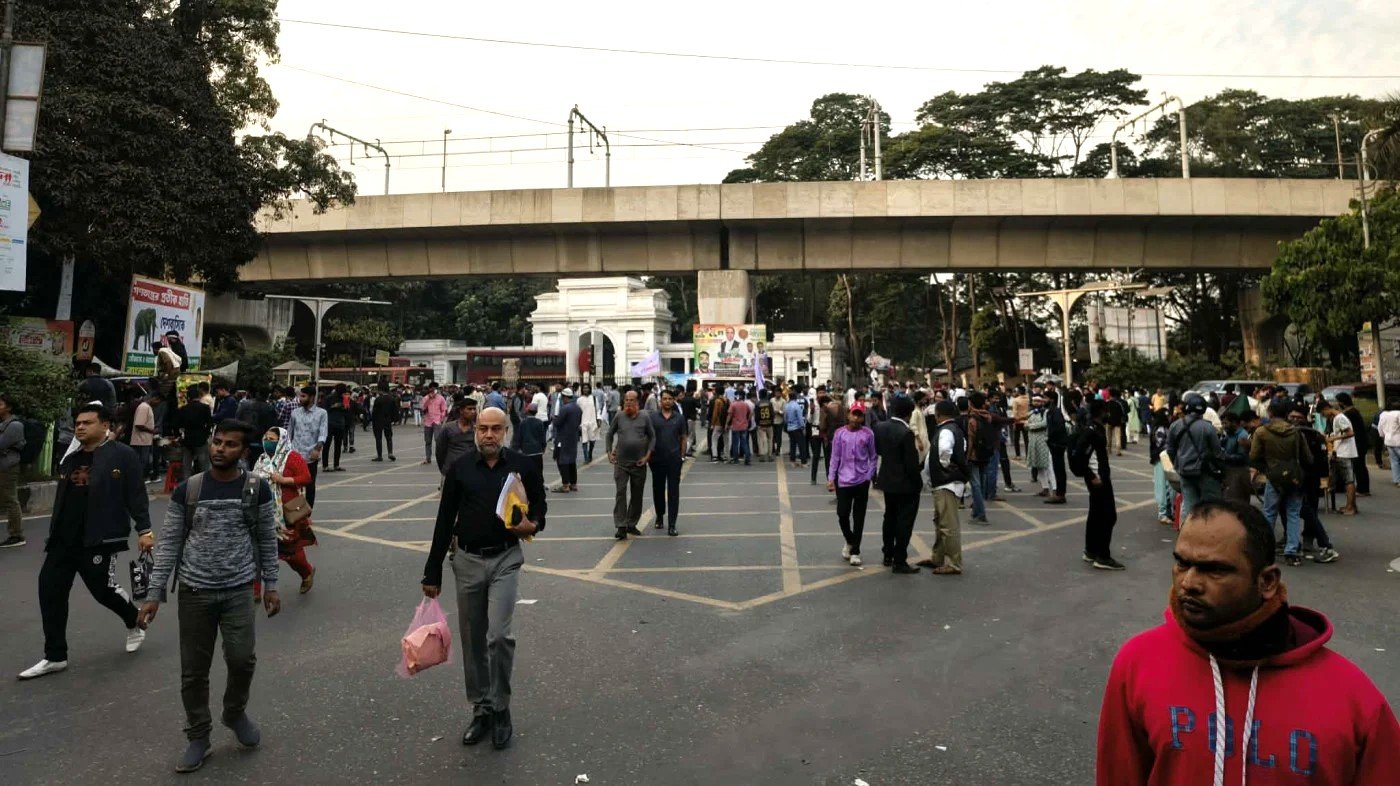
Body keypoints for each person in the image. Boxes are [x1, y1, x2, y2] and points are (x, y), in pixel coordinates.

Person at [1095, 499, 1400, 785]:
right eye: (1182, 563)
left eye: (1214, 569)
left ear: (1266, 582)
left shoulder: (1352, 699)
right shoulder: (1138, 663)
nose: (1188, 583)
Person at [139, 420, 280, 773]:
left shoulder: (256, 490)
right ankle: (198, 736)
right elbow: (170, 542)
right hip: (194, 591)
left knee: (242, 659)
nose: (220, 449)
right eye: (217, 442)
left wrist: (272, 585)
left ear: (244, 452)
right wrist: (153, 594)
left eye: (230, 445)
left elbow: (266, 539)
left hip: (238, 590)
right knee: (193, 671)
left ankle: (234, 711)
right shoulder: (189, 490)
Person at [422, 407, 546, 752]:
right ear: (475, 431)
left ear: (506, 431)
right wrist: (432, 571)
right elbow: (444, 520)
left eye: (495, 429)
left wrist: (532, 525)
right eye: (482, 429)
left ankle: (502, 708)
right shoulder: (460, 468)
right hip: (468, 561)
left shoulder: (523, 465)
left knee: (499, 636)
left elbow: (540, 507)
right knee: (473, 638)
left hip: (505, 557)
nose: (488, 435)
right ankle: (482, 709)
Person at [18, 403, 154, 680]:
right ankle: (55, 656)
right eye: (78, 423)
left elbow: (136, 494)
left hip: (100, 537)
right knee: (50, 591)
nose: (80, 427)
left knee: (102, 589)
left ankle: (133, 620)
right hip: (63, 538)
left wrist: (145, 529)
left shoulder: (122, 455)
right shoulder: (71, 458)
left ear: (105, 425)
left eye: (87, 422)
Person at [252, 427, 316, 597]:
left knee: (292, 553)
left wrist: (283, 480)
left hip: (287, 512)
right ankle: (255, 590)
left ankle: (306, 572)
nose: (267, 441)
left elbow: (306, 478)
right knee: (256, 551)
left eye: (271, 439)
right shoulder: (262, 459)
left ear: (281, 441)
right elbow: (253, 479)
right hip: (264, 512)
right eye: (265, 437)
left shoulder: (292, 457)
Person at [1250, 399, 1308, 567]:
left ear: (1270, 412)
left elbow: (1253, 456)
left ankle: (1265, 548)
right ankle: (1292, 551)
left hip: (1273, 476)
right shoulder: (1296, 432)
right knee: (1293, 513)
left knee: (1269, 512)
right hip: (1294, 476)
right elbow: (1306, 456)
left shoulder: (1261, 432)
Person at [919, 399, 969, 575]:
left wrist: (943, 467)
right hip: (945, 483)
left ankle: (954, 563)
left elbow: (944, 452)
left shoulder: (946, 430)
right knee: (940, 523)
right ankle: (937, 557)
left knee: (948, 526)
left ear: (938, 414)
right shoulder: (952, 429)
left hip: (947, 483)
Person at [874, 397, 922, 574]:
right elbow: (911, 463)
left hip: (887, 480)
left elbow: (878, 451)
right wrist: (918, 483)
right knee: (904, 521)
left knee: (890, 517)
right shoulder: (905, 432)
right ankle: (900, 559)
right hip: (905, 484)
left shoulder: (880, 427)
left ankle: (887, 554)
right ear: (909, 414)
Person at [1288, 406, 1340, 564]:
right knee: (1300, 511)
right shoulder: (1288, 434)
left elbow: (1321, 459)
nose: (1295, 420)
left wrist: (1323, 478)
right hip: (1295, 479)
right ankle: (1297, 542)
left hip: (1310, 479)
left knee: (1308, 510)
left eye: (1298, 417)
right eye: (1292, 416)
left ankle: (1316, 543)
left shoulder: (1314, 435)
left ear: (1306, 418)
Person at [1076, 399, 1123, 571]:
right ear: (1101, 412)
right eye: (1106, 411)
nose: (1108, 414)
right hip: (1098, 480)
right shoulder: (1092, 432)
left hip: (1098, 478)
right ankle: (1103, 556)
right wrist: (1091, 475)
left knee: (1095, 514)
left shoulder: (1093, 428)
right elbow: (1081, 455)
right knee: (1108, 516)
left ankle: (1091, 551)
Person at [827, 403, 876, 566]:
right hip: (843, 481)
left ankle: (856, 551)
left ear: (863, 417)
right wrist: (831, 478)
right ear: (848, 415)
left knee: (859, 517)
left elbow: (873, 457)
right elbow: (834, 457)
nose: (856, 418)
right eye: (854, 414)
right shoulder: (840, 434)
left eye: (859, 415)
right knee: (842, 514)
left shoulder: (868, 434)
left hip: (862, 480)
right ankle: (850, 540)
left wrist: (869, 475)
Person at [1166, 393, 1223, 524]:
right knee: (1211, 507)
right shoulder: (1208, 427)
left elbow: (1170, 450)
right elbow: (1217, 452)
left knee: (1190, 507)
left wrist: (1177, 465)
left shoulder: (1175, 425)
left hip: (1185, 472)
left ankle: (1188, 534)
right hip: (1205, 473)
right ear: (1203, 409)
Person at [606, 391, 654, 540]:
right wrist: (609, 451)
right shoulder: (619, 416)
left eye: (631, 400)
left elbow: (652, 437)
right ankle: (621, 526)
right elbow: (609, 434)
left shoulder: (645, 416)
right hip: (621, 463)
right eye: (626, 400)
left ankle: (631, 524)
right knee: (621, 493)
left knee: (637, 495)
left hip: (639, 463)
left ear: (637, 402)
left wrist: (647, 456)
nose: (628, 403)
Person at [649, 389, 688, 536]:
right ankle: (659, 516)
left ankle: (672, 524)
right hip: (656, 460)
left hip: (674, 460)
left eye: (670, 399)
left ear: (673, 400)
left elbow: (684, 437)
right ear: (660, 401)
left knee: (673, 492)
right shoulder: (653, 418)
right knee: (658, 490)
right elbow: (648, 437)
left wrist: (682, 456)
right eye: (664, 399)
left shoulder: (679, 418)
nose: (667, 401)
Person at [287, 386, 327, 509]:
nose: (300, 399)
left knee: (310, 486)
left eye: (303, 396)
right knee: (293, 485)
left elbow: (323, 433)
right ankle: (294, 513)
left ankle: (308, 513)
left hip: (310, 456)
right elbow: (289, 432)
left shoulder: (322, 413)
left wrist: (317, 449)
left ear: (312, 397)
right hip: (295, 455)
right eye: (299, 396)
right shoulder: (295, 413)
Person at [1317, 398, 1358, 516]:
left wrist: (1333, 438)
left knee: (1349, 480)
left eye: (1323, 414)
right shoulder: (1338, 418)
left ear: (1326, 409)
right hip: (1342, 451)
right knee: (1348, 480)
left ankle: (1350, 507)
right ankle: (1350, 505)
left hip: (1344, 452)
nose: (1323, 416)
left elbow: (1350, 433)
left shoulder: (1339, 418)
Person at [174, 383, 215, 481]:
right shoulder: (205, 408)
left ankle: (187, 484)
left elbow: (176, 425)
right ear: (199, 396)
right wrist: (205, 435)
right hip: (201, 439)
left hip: (187, 439)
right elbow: (209, 423)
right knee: (204, 464)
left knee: (187, 465)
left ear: (188, 397)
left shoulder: (183, 409)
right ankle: (205, 483)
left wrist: (179, 436)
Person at [1334, 392, 1371, 496]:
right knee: (1360, 466)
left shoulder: (1349, 413)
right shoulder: (1353, 411)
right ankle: (1363, 488)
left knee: (1359, 466)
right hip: (1361, 442)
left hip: (1358, 443)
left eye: (1338, 402)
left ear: (1342, 402)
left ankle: (1363, 489)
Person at [0, 393, 24, 547]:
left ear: (8, 407)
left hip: (8, 467)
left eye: (0, 404)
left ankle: (16, 535)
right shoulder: (3, 424)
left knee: (10, 499)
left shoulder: (15, 425)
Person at [437, 397, 480, 477]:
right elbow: (440, 450)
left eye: (474, 409)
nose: (473, 412)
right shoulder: (448, 428)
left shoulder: (477, 428)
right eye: (469, 409)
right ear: (461, 411)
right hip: (450, 471)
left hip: (470, 471)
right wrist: (444, 469)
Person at [1219, 410, 1253, 506]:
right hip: (1229, 471)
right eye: (1223, 423)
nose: (1224, 426)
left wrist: (1224, 456)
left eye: (1226, 423)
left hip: (1239, 472)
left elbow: (1241, 457)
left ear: (1234, 422)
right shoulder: (1228, 435)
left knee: (1237, 502)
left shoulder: (1242, 435)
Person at [551, 389, 582, 492]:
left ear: (564, 397)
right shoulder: (577, 408)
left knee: (562, 460)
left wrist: (554, 419)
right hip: (573, 437)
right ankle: (574, 484)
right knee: (572, 461)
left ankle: (565, 485)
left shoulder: (565, 408)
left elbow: (558, 422)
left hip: (563, 438)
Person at [1148, 408, 1174, 526]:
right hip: (1161, 459)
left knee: (1168, 486)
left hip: (1165, 459)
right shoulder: (1160, 429)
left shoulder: (1164, 428)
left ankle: (1167, 512)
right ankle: (1162, 513)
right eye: (1167, 416)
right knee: (1162, 486)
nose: (1170, 418)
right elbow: (1162, 445)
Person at [1044, 390, 1069, 505]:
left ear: (1052, 400)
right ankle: (1060, 493)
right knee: (1057, 469)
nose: (1044, 400)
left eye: (1046, 398)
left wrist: (1050, 438)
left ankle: (1060, 494)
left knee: (1059, 469)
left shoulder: (1056, 412)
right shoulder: (1050, 411)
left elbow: (1058, 428)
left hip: (1057, 444)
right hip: (1054, 443)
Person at [510, 404, 547, 477]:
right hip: (537, 451)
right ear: (536, 412)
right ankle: (540, 486)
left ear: (527, 411)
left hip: (526, 451)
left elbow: (519, 438)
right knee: (538, 471)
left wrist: (516, 449)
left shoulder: (523, 423)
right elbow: (542, 437)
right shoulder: (539, 422)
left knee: (527, 473)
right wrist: (543, 447)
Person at [1025, 395, 1052, 496]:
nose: (1036, 403)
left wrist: (1030, 426)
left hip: (1042, 440)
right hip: (1033, 440)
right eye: (1034, 401)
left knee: (1047, 465)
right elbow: (1026, 421)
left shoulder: (1045, 412)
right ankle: (1044, 487)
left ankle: (1053, 488)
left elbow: (1044, 423)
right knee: (1038, 465)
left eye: (1038, 401)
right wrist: (1026, 424)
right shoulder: (1031, 412)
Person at [421, 383, 448, 466]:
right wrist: (428, 399)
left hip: (437, 421)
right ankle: (428, 458)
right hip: (428, 422)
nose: (433, 391)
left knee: (438, 440)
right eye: (431, 389)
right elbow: (423, 408)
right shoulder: (425, 398)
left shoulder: (441, 398)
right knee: (428, 441)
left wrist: (441, 418)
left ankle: (440, 457)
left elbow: (444, 409)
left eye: (434, 389)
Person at [371, 387, 399, 461]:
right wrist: (393, 420)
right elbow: (395, 410)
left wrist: (372, 420)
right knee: (389, 437)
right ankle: (390, 453)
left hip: (378, 421)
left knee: (378, 438)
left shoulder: (378, 399)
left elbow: (374, 411)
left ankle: (379, 456)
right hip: (388, 420)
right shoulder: (392, 399)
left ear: (381, 391)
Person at [726, 389, 752, 465]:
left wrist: (726, 424)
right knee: (744, 443)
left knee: (735, 443)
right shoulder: (745, 404)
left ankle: (736, 459)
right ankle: (747, 458)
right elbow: (750, 413)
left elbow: (729, 415)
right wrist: (747, 420)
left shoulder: (733, 404)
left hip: (735, 427)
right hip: (744, 426)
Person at [783, 387, 808, 466]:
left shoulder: (786, 406)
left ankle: (792, 461)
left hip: (790, 427)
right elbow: (800, 418)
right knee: (801, 445)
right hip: (797, 427)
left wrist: (787, 424)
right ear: (796, 397)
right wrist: (803, 427)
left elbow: (785, 418)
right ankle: (803, 462)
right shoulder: (796, 406)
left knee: (792, 444)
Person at [578, 382, 601, 464]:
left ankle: (590, 453)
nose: (585, 389)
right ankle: (586, 458)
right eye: (584, 388)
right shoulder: (579, 400)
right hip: (583, 423)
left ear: (589, 389)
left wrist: (598, 420)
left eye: (587, 388)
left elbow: (598, 410)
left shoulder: (594, 398)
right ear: (582, 389)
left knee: (592, 440)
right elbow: (578, 413)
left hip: (593, 422)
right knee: (584, 441)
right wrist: (578, 424)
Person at [1379, 397, 1400, 487]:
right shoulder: (1398, 414)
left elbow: (1380, 428)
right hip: (1398, 441)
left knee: (1394, 461)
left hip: (1388, 441)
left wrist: (1383, 437)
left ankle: (1397, 480)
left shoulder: (1383, 414)